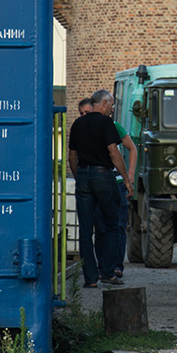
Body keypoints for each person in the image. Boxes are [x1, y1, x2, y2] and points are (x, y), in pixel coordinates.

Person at [68, 89, 133, 288]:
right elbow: (114, 153)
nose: (112, 109)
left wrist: (81, 177)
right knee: (113, 225)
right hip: (103, 176)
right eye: (111, 105)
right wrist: (127, 180)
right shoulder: (106, 123)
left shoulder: (78, 123)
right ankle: (107, 273)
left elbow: (72, 156)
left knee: (86, 231)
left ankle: (90, 278)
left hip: (85, 175)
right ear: (103, 103)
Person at [92, 94, 138, 281]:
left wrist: (130, 174)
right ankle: (103, 265)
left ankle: (116, 266)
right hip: (101, 181)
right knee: (102, 227)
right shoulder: (90, 126)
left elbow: (131, 148)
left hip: (116, 182)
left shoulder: (115, 126)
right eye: (111, 104)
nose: (112, 108)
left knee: (118, 226)